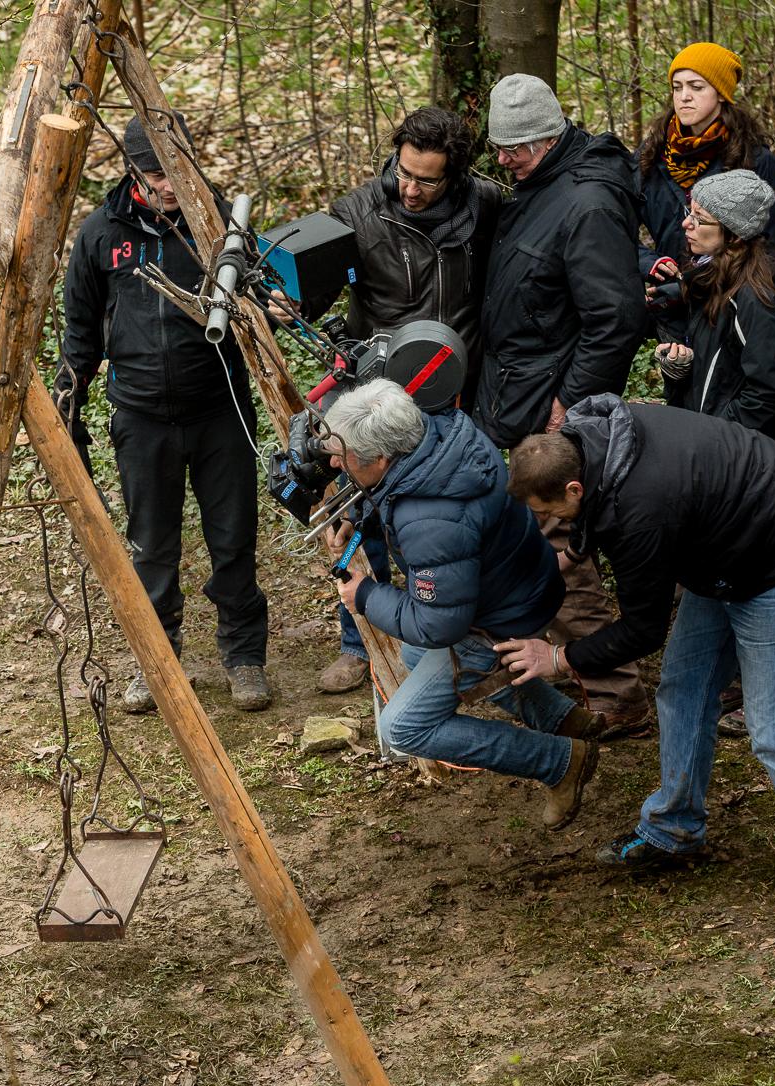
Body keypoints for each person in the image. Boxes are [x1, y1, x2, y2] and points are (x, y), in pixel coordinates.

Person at [501, 397, 775, 907]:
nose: (550, 520)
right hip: (722, 555)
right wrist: (566, 560)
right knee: (681, 694)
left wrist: (558, 659)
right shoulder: (595, 442)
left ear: (573, 486)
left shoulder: (641, 509)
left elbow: (642, 631)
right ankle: (674, 827)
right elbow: (595, 510)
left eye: (550, 512)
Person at [273, 107, 504, 695]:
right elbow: (312, 284)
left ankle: (463, 631)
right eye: (404, 172)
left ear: (453, 176)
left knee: (443, 519)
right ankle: (360, 642)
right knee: (364, 510)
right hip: (376, 390)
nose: (410, 188)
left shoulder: (486, 205)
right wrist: (290, 304)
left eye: (427, 179)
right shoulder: (359, 211)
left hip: (449, 389)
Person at [53, 112, 271, 714]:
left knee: (233, 538)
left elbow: (264, 306)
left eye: (177, 171)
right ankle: (159, 656)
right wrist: (68, 408)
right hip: (141, 416)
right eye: (156, 173)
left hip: (219, 409)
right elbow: (80, 332)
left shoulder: (221, 225)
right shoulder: (101, 234)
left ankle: (244, 655)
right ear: (132, 170)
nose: (170, 185)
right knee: (151, 545)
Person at [322, 379, 605, 831]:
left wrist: (366, 596)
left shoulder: (431, 519)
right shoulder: (445, 432)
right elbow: (396, 490)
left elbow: (438, 626)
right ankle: (560, 717)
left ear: (378, 457)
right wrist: (359, 514)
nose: (335, 462)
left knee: (404, 728)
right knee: (415, 655)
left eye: (344, 455)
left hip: (496, 619)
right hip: (526, 584)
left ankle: (558, 761)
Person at [475, 73, 651, 740]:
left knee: (560, 544)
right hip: (518, 394)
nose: (502, 161)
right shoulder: (541, 187)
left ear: (548, 138)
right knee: (530, 538)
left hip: (553, 412)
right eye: (498, 148)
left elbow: (615, 316)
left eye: (513, 149)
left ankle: (617, 694)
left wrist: (568, 405)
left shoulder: (587, 202)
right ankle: (559, 669)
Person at [656, 169, 775, 463]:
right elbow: (717, 374)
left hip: (756, 462)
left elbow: (772, 390)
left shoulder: (756, 297)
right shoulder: (711, 276)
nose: (686, 223)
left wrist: (715, 433)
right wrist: (679, 369)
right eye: (690, 211)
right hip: (719, 449)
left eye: (699, 219)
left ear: (734, 235)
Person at [636, 42, 775, 330]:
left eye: (696, 87)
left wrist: (690, 287)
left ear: (720, 93)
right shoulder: (652, 155)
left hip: (731, 310)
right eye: (677, 87)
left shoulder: (755, 160)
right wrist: (648, 263)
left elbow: (770, 253)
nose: (684, 97)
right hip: (671, 314)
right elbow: (614, 225)